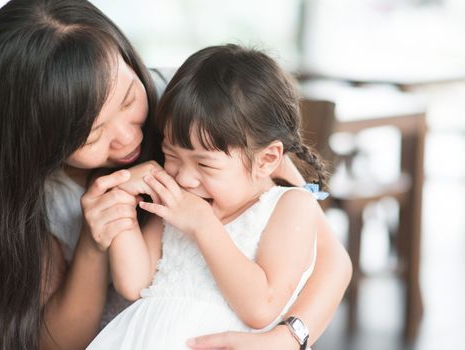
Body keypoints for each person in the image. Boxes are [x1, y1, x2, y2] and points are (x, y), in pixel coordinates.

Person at [0, 1, 351, 350]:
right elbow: (59, 340)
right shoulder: (25, 192)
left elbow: (330, 258)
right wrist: (95, 241)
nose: (129, 137)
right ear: (39, 143)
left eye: (129, 98)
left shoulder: (196, 109)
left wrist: (287, 338)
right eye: (92, 135)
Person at [86, 44, 331, 350]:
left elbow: (261, 308)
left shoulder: (290, 206)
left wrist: (203, 226)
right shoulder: (178, 204)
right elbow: (134, 283)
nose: (184, 177)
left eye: (204, 164)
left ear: (267, 159)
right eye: (170, 155)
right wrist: (122, 198)